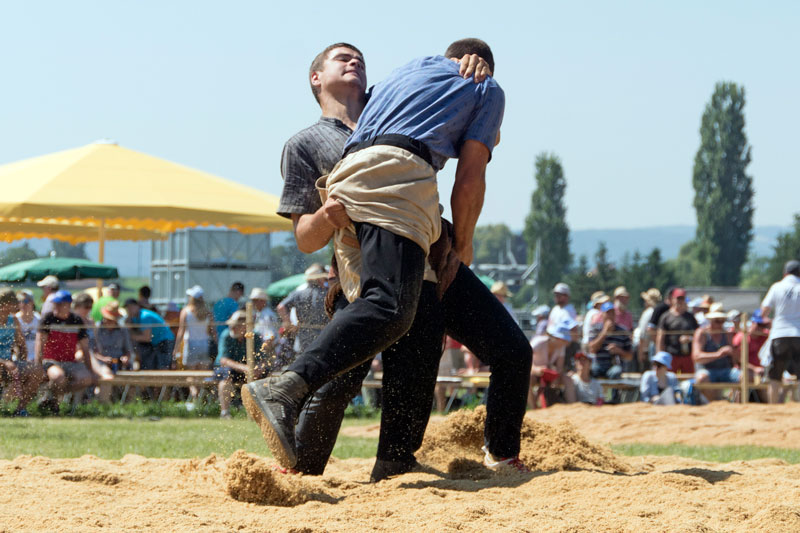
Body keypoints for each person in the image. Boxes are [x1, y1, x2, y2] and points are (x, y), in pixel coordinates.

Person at [244, 38, 532, 476]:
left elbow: (442, 84)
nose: (355, 60)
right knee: (347, 370)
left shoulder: (392, 95)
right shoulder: (306, 143)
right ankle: (299, 465)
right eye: (342, 57)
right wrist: (326, 215)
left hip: (422, 240)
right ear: (315, 78)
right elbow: (304, 237)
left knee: (419, 352)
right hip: (362, 258)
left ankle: (396, 460)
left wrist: (466, 60)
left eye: (360, 57)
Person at [36, 290, 95, 408]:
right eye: (55, 304)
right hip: (50, 361)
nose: (56, 306)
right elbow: (39, 343)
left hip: (70, 361)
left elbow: (85, 347)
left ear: (68, 305)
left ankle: (50, 397)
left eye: (59, 304)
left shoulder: (77, 320)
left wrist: (90, 369)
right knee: (59, 377)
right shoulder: (48, 318)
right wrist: (38, 366)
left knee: (87, 378)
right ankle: (56, 406)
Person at [214, 311, 271, 419]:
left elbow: (263, 359)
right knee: (226, 379)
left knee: (266, 377)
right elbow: (224, 360)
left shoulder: (255, 336)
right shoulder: (226, 336)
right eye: (231, 325)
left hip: (249, 371)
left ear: (245, 326)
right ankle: (225, 412)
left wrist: (259, 368)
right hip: (230, 369)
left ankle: (261, 412)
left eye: (235, 325)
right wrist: (244, 368)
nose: (232, 328)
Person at [761, 260, 800, 404]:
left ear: (785, 273)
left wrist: (771, 320)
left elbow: (764, 310)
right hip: (799, 334)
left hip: (780, 334)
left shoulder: (777, 287)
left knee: (775, 375)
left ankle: (773, 407)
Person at [172, 285, 216, 405]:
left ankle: (195, 396)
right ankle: (202, 398)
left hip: (190, 344)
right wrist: (216, 344)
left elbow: (181, 331)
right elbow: (213, 330)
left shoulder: (186, 311)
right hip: (204, 344)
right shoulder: (208, 312)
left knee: (191, 374)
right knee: (202, 374)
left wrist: (176, 348)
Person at [277, 264, 330, 356]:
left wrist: (287, 322)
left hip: (304, 336)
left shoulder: (297, 294)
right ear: (319, 279)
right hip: (325, 335)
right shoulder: (327, 294)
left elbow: (281, 307)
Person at [692, 303, 741, 401]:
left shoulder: (727, 334)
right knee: (702, 378)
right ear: (710, 320)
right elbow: (696, 357)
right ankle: (716, 403)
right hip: (707, 370)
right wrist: (718, 354)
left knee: (744, 376)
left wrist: (733, 353)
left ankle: (737, 406)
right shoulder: (702, 333)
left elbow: (737, 359)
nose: (720, 323)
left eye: (722, 320)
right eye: (717, 321)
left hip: (726, 370)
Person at [528, 317, 577, 408]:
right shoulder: (538, 342)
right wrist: (536, 369)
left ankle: (572, 407)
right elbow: (525, 361)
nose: (564, 342)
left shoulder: (560, 347)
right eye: (562, 339)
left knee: (568, 380)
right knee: (528, 378)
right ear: (555, 337)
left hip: (548, 374)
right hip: (533, 372)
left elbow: (559, 367)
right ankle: (533, 408)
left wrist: (556, 376)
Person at [0, 288, 35, 414]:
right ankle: (3, 406)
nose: (17, 305)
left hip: (10, 364)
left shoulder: (13, 320)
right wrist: (4, 362)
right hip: (3, 364)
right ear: (5, 304)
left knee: (37, 372)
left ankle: (20, 408)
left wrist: (23, 363)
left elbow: (22, 345)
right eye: (14, 302)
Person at [123, 298, 175, 370]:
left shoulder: (145, 316)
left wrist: (131, 337)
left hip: (165, 340)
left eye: (131, 307)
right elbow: (128, 329)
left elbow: (146, 338)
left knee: (163, 366)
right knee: (154, 366)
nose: (129, 310)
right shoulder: (135, 317)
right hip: (157, 342)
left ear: (137, 306)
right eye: (127, 308)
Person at [655, 288, 698, 374]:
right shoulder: (666, 316)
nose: (680, 301)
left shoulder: (690, 317)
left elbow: (697, 335)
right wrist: (660, 355)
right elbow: (660, 337)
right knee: (670, 378)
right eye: (678, 298)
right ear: (673, 299)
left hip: (687, 355)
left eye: (682, 298)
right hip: (671, 355)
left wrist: (689, 338)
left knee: (689, 380)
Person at [587, 302, 633, 379]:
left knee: (616, 372)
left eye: (612, 313)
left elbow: (630, 356)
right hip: (598, 364)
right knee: (592, 370)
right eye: (608, 313)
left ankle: (614, 391)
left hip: (614, 366)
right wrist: (604, 333)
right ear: (602, 315)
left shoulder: (623, 331)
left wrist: (619, 351)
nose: (610, 316)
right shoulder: (595, 329)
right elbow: (591, 349)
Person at [634, 288, 661, 369]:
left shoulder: (648, 313)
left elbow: (642, 334)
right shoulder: (659, 311)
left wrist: (641, 353)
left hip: (647, 349)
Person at [15, 290, 40, 362]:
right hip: (19, 358)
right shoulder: (15, 319)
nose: (22, 304)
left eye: (25, 301)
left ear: (32, 302)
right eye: (19, 301)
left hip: (36, 358)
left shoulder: (39, 319)